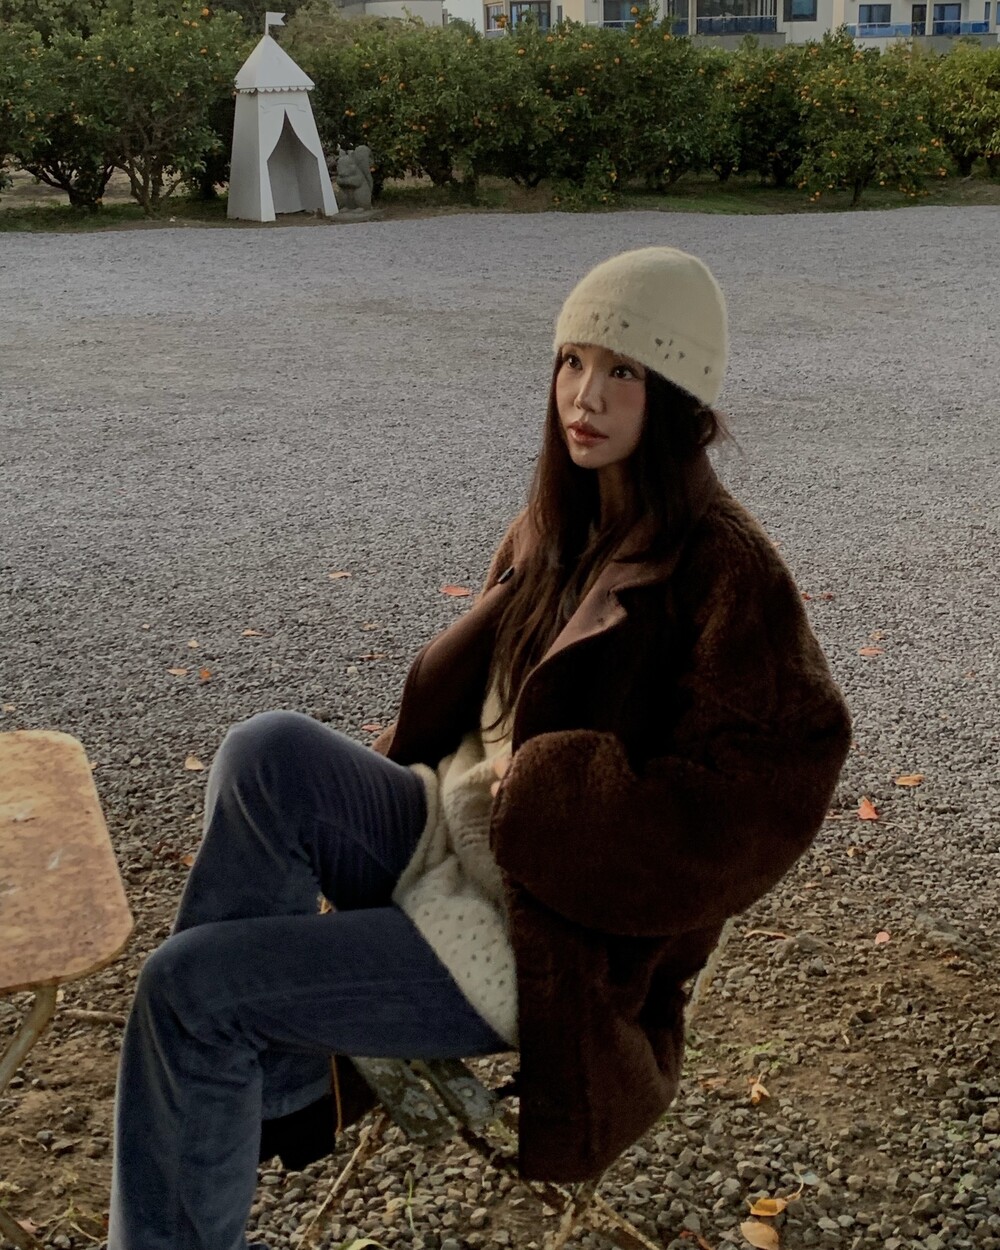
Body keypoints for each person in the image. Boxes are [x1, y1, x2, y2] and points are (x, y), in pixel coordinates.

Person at [108, 247, 851, 1250]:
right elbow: (469, 709)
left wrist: (555, 787)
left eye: (623, 371)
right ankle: (281, 1077)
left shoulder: (726, 571)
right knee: (266, 752)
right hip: (450, 836)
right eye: (572, 361)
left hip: (545, 940)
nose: (584, 396)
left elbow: (765, 797)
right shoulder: (560, 517)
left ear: (679, 398)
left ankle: (241, 1071)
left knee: (188, 989)